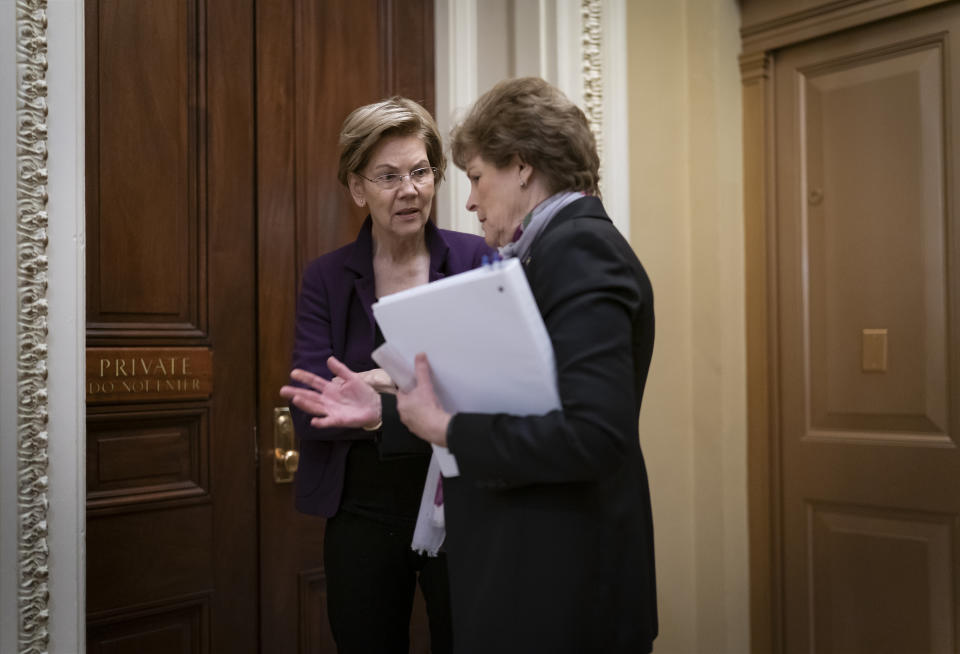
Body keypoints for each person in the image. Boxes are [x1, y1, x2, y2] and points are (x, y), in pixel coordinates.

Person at [393, 77, 659, 653]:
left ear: (520, 166)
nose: (468, 201)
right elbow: (513, 395)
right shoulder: (544, 252)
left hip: (561, 594)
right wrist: (394, 398)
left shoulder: (579, 249)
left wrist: (447, 429)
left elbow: (593, 434)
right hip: (538, 583)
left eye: (475, 177)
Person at [280, 96, 492, 654]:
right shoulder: (326, 278)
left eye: (422, 171)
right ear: (357, 188)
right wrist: (418, 390)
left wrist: (377, 387)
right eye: (388, 176)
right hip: (361, 513)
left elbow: (493, 388)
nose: (410, 190)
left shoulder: (477, 260)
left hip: (462, 504)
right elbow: (315, 407)